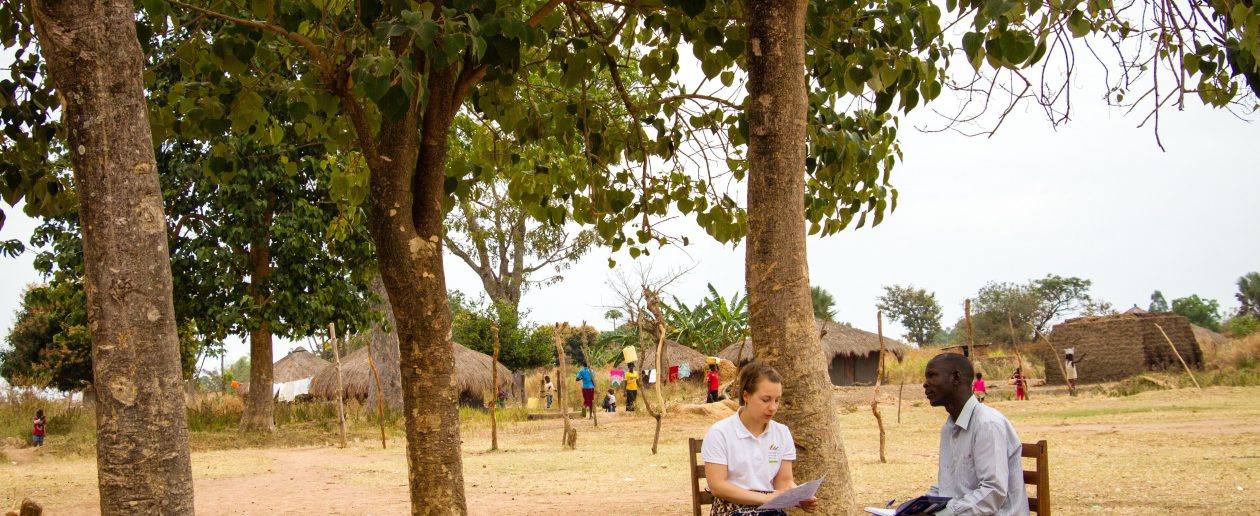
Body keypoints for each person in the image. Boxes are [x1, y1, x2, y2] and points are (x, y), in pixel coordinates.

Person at [700, 361, 817, 515]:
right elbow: (718, 486)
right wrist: (765, 498)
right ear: (746, 395)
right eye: (766, 400)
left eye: (777, 400)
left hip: (770, 510)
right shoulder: (720, 433)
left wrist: (797, 496)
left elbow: (784, 481)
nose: (773, 407)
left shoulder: (781, 433)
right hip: (731, 510)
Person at [922, 353, 1028, 515]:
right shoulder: (949, 427)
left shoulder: (987, 424)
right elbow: (948, 486)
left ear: (956, 378)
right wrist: (919, 507)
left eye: (932, 376)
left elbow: (992, 492)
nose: (925, 384)